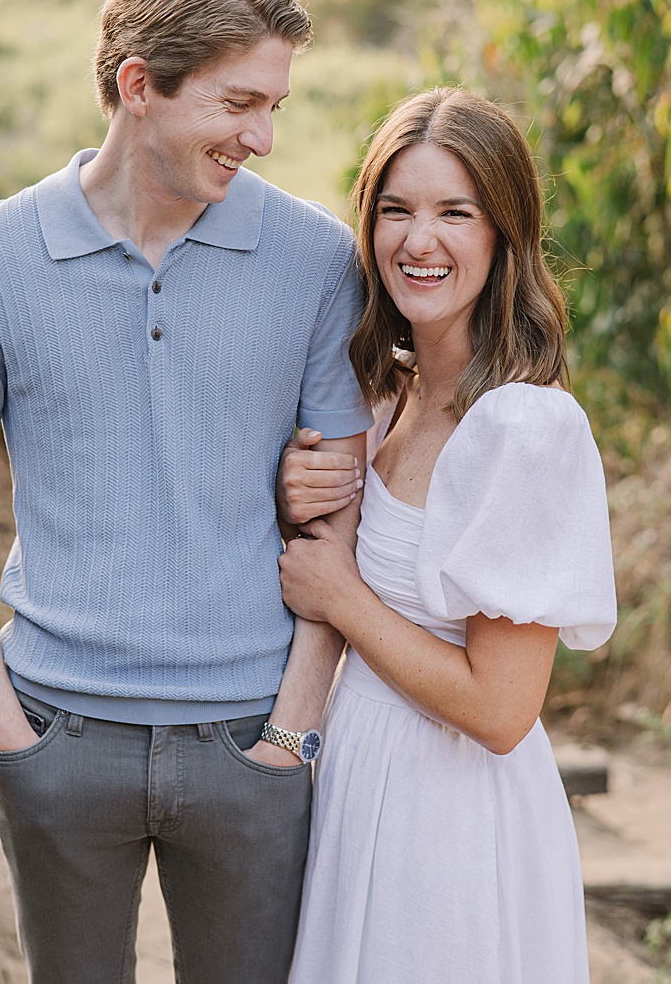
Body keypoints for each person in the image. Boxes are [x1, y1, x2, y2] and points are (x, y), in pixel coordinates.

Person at [0, 0, 377, 983]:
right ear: (138, 86)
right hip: (57, 731)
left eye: (275, 107)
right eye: (235, 104)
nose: (261, 136)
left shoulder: (316, 260)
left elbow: (337, 509)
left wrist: (293, 731)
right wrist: (0, 723)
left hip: (252, 735)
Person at [274, 88, 618, 982]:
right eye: (395, 210)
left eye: (453, 213)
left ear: (504, 234)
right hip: (361, 778)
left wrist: (340, 596)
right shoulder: (384, 397)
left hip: (452, 817)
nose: (417, 240)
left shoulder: (523, 430)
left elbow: (502, 714)